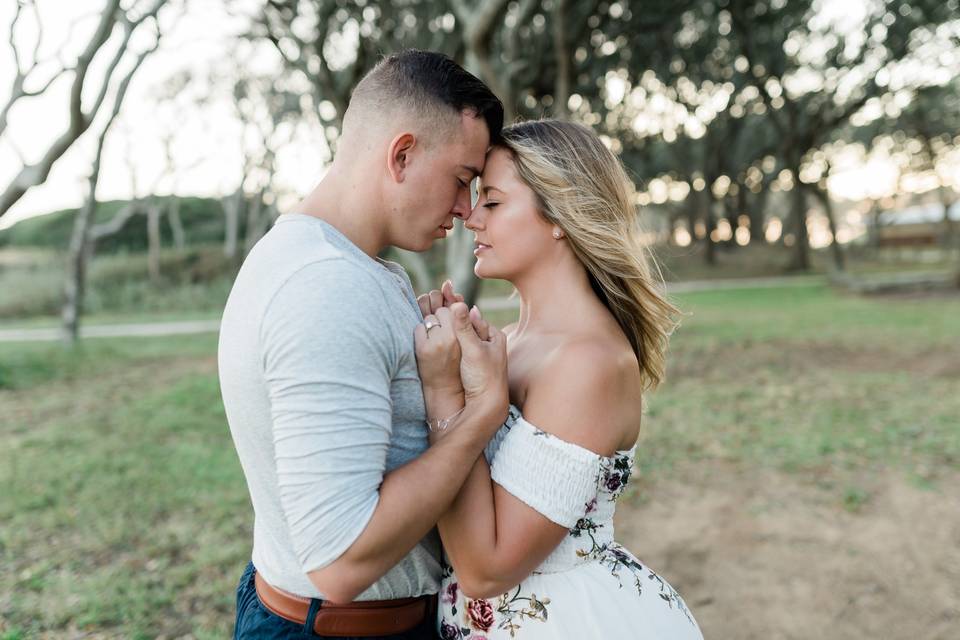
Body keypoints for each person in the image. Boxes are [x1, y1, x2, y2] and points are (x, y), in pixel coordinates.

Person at [218, 49, 509, 639]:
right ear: (401, 155)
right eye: (461, 179)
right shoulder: (327, 286)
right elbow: (341, 559)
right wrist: (480, 417)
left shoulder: (325, 261)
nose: (466, 207)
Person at [413, 120, 705, 639]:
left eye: (494, 202)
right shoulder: (508, 342)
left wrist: (447, 394)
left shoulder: (587, 362)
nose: (471, 217)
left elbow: (486, 570)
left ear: (560, 216)